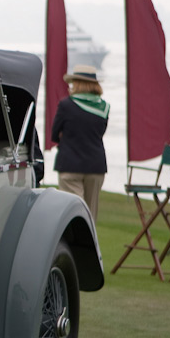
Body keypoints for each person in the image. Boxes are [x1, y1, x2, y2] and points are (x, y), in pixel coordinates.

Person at [51, 65, 109, 221]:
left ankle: (72, 245)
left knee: (72, 214)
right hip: (96, 166)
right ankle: (91, 245)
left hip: (70, 165)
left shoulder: (66, 105)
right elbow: (99, 133)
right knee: (90, 216)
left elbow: (54, 134)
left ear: (77, 83)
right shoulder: (104, 107)